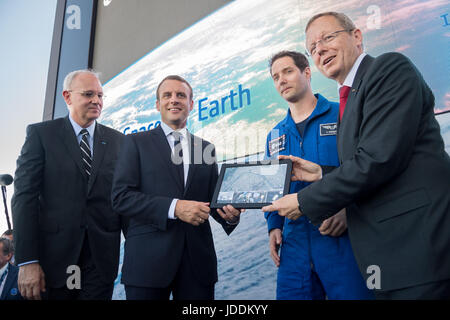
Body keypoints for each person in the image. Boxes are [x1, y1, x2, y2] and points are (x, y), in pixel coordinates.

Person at [262, 12, 450, 299]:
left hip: (417, 249)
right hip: (381, 257)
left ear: (357, 36)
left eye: (327, 38)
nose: (320, 49)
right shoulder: (342, 104)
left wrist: (305, 200)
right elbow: (364, 161)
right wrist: (319, 173)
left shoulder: (388, 69)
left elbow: (377, 159)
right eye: (313, 48)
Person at [111, 75, 243, 300]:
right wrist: (174, 207)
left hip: (197, 265)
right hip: (147, 265)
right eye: (167, 95)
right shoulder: (135, 143)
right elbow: (121, 197)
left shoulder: (206, 148)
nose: (174, 100)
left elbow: (213, 203)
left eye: (181, 95)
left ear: (191, 104)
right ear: (157, 104)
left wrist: (230, 216)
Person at [264, 50, 372, 300]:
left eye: (288, 71)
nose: (281, 80)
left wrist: (348, 211)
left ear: (307, 72)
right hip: (294, 249)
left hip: (340, 239)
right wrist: (273, 227)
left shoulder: (343, 114)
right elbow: (273, 186)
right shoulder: (274, 135)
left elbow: (364, 170)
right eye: (275, 76)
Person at [12, 69, 125, 300]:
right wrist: (28, 260)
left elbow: (124, 197)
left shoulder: (118, 141)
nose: (96, 100)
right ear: (67, 96)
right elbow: (25, 197)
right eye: (88, 94)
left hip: (100, 263)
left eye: (100, 95)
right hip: (52, 263)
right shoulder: (41, 135)